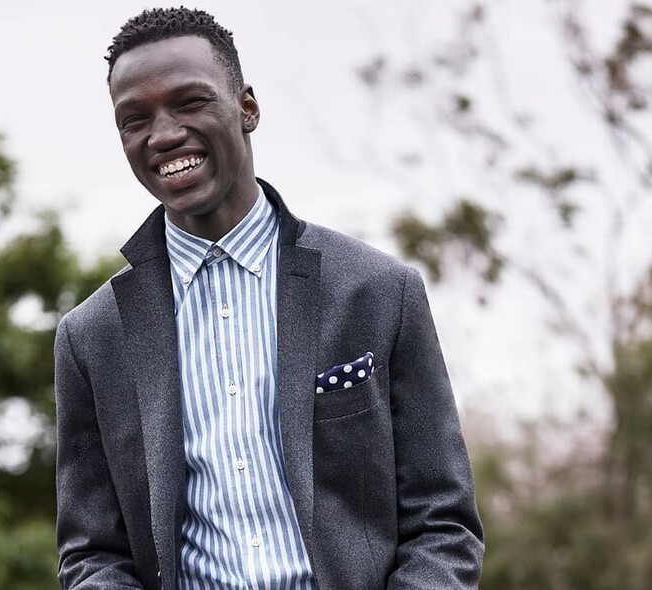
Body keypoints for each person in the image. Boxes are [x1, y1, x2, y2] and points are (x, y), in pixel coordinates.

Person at [54, 7, 484, 589]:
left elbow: (443, 523)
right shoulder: (92, 337)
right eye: (135, 119)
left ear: (247, 107)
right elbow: (92, 553)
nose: (164, 134)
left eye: (189, 101)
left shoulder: (379, 292)